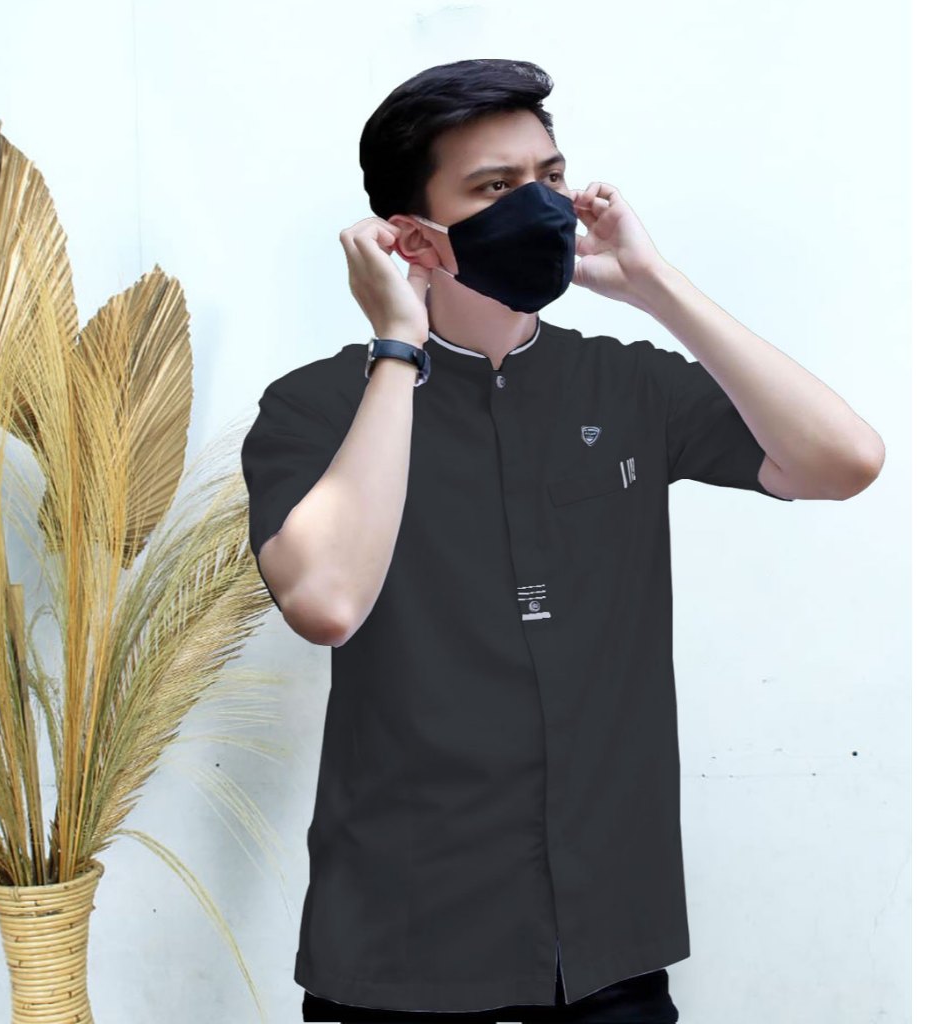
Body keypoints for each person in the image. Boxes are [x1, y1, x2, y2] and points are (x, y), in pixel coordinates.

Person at [241, 58, 883, 1024]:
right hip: (402, 954)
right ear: (411, 234)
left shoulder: (628, 385)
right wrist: (397, 345)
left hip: (608, 957)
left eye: (549, 177)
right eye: (496, 188)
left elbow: (845, 460)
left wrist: (657, 286)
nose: (539, 206)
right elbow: (326, 603)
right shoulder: (316, 406)